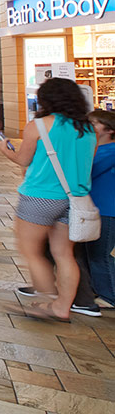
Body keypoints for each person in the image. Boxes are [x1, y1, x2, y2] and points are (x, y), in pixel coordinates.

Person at [0, 78, 96, 322]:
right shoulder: (88, 128)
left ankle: (47, 299)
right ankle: (62, 307)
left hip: (40, 196)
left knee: (31, 251)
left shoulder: (39, 125)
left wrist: (3, 149)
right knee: (64, 254)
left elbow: (22, 160)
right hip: (75, 199)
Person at [81, 110, 115, 308]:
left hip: (107, 211)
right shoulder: (98, 149)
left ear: (109, 130)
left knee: (99, 256)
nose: (88, 126)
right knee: (92, 254)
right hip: (96, 210)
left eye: (93, 123)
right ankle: (97, 289)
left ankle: (110, 295)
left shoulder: (109, 151)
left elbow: (86, 171)